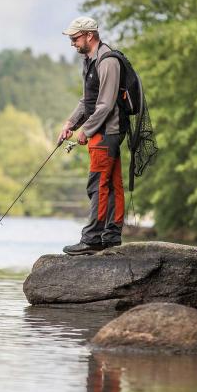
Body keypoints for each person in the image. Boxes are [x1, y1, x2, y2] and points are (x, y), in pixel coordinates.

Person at [58, 16, 126, 255]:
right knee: (111, 184)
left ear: (89, 35)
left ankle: (93, 239)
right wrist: (71, 123)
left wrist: (85, 131)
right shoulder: (89, 60)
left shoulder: (107, 61)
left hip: (106, 133)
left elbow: (106, 105)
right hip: (103, 132)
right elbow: (87, 100)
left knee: (98, 185)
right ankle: (111, 236)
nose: (73, 43)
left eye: (75, 38)